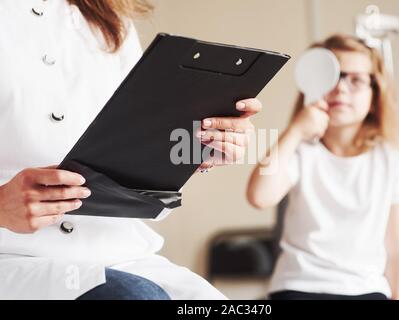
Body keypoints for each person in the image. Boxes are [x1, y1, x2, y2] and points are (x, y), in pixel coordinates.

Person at [0, 0, 262, 300]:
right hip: (13, 258)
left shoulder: (110, 22)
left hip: (124, 254)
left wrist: (197, 147)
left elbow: (136, 138)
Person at [246, 34, 399, 300]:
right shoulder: (301, 152)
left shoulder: (392, 160)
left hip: (366, 289)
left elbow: (397, 245)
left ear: (375, 93)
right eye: (333, 76)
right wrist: (295, 130)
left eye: (356, 80)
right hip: (298, 285)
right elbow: (260, 197)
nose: (341, 89)